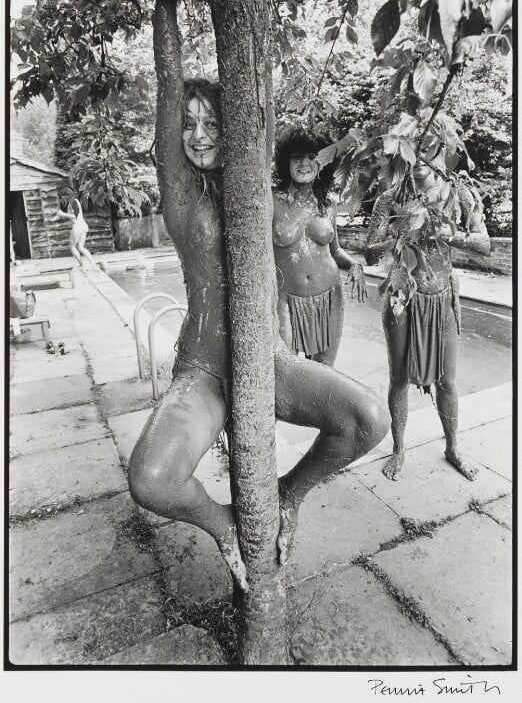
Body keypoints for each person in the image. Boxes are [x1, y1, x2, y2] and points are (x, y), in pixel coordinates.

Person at [127, 69, 389, 594]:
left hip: (269, 358)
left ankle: (288, 496)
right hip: (203, 370)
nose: (199, 134)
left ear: (237, 129)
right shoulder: (182, 198)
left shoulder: (260, 193)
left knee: (368, 420)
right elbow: (170, 124)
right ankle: (223, 526)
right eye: (188, 124)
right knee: (151, 479)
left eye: (212, 122)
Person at [365, 157, 490, 482]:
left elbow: (484, 243)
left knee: (448, 380)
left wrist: (447, 235)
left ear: (440, 152)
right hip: (402, 300)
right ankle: (399, 448)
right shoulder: (390, 198)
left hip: (441, 298)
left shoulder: (458, 195)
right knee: (400, 379)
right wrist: (401, 238)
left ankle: (453, 447)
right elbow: (369, 252)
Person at [272, 127, 367, 367]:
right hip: (286, 298)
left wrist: (354, 265)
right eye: (297, 157)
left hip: (329, 296)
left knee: (324, 370)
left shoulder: (328, 204)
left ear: (322, 163)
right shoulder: (271, 201)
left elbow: (334, 251)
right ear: (287, 162)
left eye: (312, 157)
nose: (304, 163)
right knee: (288, 368)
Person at [50, 198, 95, 268]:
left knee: (72, 247)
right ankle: (92, 262)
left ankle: (82, 264)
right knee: (80, 247)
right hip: (83, 226)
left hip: (77, 227)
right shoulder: (74, 202)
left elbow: (74, 216)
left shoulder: (73, 202)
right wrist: (60, 214)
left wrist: (63, 214)